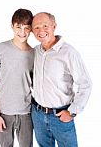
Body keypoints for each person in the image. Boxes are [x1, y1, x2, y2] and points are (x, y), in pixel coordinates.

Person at [31, 12, 92, 147]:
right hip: (38, 115)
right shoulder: (35, 52)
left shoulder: (68, 52)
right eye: (36, 27)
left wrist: (72, 112)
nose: (41, 31)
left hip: (60, 116)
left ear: (54, 26)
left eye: (45, 26)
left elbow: (85, 84)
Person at [0, 9, 34, 147]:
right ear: (12, 26)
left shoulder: (34, 54)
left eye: (27, 28)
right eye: (18, 27)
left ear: (31, 29)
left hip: (26, 112)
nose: (22, 32)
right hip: (4, 111)